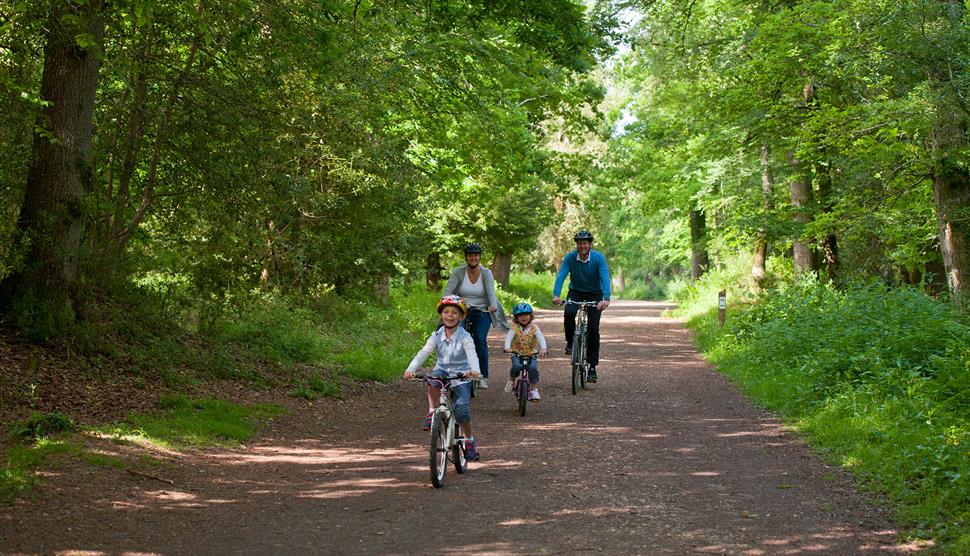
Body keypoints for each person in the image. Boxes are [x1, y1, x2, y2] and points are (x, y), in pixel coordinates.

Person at [403, 295, 481, 460]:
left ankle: (469, 440)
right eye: (446, 312)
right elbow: (424, 352)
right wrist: (411, 369)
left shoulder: (465, 337)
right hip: (443, 370)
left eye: (454, 312)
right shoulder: (436, 335)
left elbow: (472, 354)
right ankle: (432, 412)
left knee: (462, 411)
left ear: (461, 317)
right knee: (433, 379)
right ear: (441, 315)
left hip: (462, 374)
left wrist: (474, 370)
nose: (450, 316)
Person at [442, 242, 509, 389]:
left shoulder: (486, 273)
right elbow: (448, 290)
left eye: (476, 255)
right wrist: (446, 303)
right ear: (466, 257)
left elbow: (491, 291)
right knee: (453, 338)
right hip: (462, 309)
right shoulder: (458, 272)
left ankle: (482, 376)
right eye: (470, 255)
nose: (473, 258)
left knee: (479, 339)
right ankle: (451, 372)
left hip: (483, 309)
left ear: (479, 257)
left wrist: (492, 305)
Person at [552, 230, 611, 383]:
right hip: (576, 291)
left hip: (595, 294)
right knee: (569, 312)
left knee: (593, 328)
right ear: (576, 244)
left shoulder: (598, 258)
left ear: (589, 244)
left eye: (585, 243)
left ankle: (592, 367)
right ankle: (570, 343)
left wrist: (606, 298)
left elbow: (604, 277)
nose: (582, 245)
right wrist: (556, 295)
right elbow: (561, 276)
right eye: (580, 243)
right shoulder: (570, 258)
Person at [502, 302, 548, 400]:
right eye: (520, 315)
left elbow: (541, 338)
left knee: (533, 369)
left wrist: (543, 348)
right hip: (516, 353)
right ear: (516, 317)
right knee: (517, 366)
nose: (524, 317)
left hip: (532, 353)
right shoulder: (514, 327)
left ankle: (533, 390)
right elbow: (509, 337)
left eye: (526, 314)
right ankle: (511, 380)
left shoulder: (535, 328)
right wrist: (507, 347)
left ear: (530, 316)